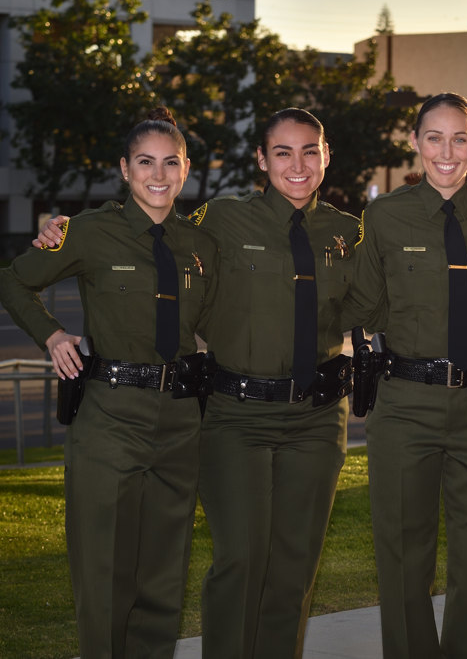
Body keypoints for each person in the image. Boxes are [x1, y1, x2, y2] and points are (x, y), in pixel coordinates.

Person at [0, 107, 218, 658]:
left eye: (171, 162)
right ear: (125, 169)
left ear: (186, 168)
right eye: (145, 162)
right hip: (110, 419)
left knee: (164, 576)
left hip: (179, 421)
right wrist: (51, 336)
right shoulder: (87, 232)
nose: (159, 175)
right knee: (104, 573)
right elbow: (12, 280)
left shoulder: (200, 245)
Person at [348, 92, 467, 659]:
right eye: (433, 138)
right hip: (405, 403)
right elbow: (363, 306)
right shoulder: (383, 216)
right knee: (402, 552)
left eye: (458, 138)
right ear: (417, 144)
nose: (446, 152)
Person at [192, 108, 361, 658]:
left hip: (316, 419)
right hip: (236, 416)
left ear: (326, 155)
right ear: (262, 160)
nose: (297, 164)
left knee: (293, 569)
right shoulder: (220, 218)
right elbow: (152, 227)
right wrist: (68, 227)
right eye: (283, 152)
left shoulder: (346, 231)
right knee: (240, 561)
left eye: (309, 150)